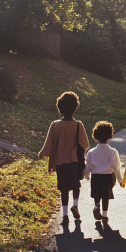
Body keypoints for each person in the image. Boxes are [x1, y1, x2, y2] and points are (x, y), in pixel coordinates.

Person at [39, 91, 90, 225]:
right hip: (74, 161)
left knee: (64, 189)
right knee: (75, 186)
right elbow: (85, 144)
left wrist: (42, 153)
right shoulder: (78, 125)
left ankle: (65, 215)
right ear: (75, 108)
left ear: (60, 108)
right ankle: (75, 205)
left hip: (60, 162)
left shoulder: (55, 125)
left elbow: (49, 143)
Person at [84, 121, 123, 222]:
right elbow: (117, 167)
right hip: (108, 176)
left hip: (95, 176)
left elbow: (88, 165)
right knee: (106, 195)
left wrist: (87, 174)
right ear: (110, 135)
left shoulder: (91, 152)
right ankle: (105, 215)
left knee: (97, 193)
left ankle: (97, 206)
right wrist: (120, 180)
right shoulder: (113, 152)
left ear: (95, 135)